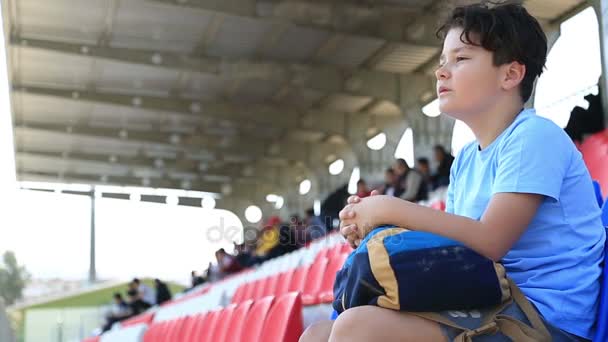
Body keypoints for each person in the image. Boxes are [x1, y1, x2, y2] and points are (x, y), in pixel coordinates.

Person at [300, 3, 605, 342]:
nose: (441, 72)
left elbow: (489, 241)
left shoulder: (534, 137)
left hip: (543, 318)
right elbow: (460, 249)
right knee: (317, 332)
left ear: (511, 74)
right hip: (491, 301)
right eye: (443, 61)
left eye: (461, 59)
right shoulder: (465, 161)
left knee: (356, 329)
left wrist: (390, 208)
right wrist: (379, 224)